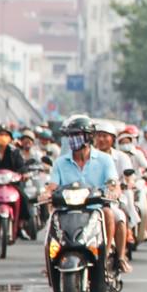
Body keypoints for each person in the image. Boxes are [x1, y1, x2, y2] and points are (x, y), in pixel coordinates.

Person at [43, 114, 126, 272]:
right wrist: (46, 193)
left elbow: (112, 182)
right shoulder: (61, 162)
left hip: (96, 207)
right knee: (52, 219)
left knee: (111, 214)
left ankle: (106, 255)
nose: (73, 139)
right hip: (67, 208)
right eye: (71, 136)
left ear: (89, 137)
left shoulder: (105, 160)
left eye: (77, 135)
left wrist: (113, 191)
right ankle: (50, 262)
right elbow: (52, 185)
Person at [88, 121, 135, 273]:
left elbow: (120, 181)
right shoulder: (88, 157)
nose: (101, 139)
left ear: (113, 139)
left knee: (119, 217)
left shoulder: (121, 158)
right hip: (86, 200)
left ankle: (120, 257)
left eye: (105, 136)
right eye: (98, 136)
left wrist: (117, 190)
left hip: (111, 199)